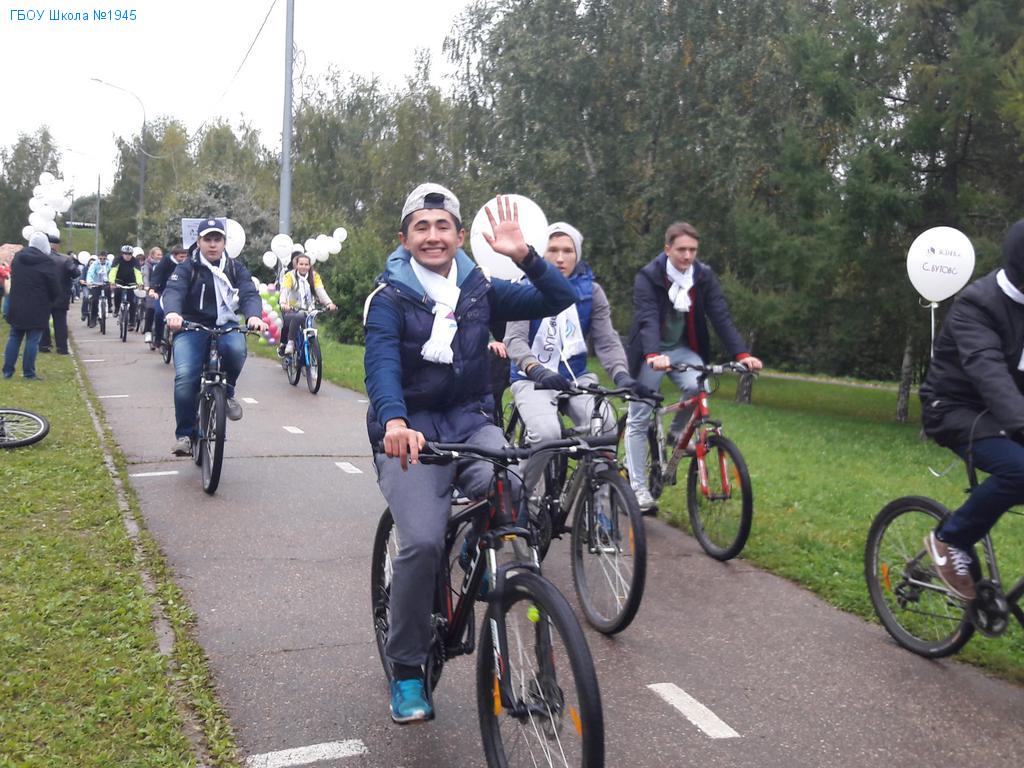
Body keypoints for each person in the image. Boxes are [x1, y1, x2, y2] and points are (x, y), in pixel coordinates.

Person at [364, 185, 575, 723]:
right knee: (421, 542)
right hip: (410, 431)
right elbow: (382, 364)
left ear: (460, 236)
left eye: (443, 226)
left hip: (470, 421)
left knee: (514, 495)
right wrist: (394, 421)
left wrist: (525, 255)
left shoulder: (480, 290)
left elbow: (558, 298)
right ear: (405, 239)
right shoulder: (388, 298)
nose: (433, 236)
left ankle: (474, 554)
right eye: (422, 227)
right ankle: (407, 668)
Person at [623, 221, 763, 512]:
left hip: (682, 348)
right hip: (651, 351)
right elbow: (648, 318)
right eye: (681, 250)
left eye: (693, 250)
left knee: (699, 387)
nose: (687, 256)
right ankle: (638, 488)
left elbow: (720, 315)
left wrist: (741, 354)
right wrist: (653, 354)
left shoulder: (702, 276)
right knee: (640, 415)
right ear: (667, 249)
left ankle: (676, 434)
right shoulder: (649, 276)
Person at [505, 222, 652, 492]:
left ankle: (597, 501)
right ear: (541, 252)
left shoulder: (592, 292)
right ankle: (518, 496)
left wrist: (622, 375)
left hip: (576, 377)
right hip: (532, 378)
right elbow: (514, 340)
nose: (560, 258)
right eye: (553, 250)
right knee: (547, 435)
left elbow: (607, 340)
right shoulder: (523, 287)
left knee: (606, 425)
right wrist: (536, 369)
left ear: (578, 255)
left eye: (568, 251)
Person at [919, 220, 1024, 600]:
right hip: (954, 409)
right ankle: (949, 540)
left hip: (1007, 413)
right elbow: (987, 370)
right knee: (1021, 472)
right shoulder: (977, 304)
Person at [162, 218, 266, 456]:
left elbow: (249, 293)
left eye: (217, 239)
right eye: (207, 239)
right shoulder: (187, 267)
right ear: (198, 242)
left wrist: (253, 316)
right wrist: (173, 313)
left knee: (237, 349)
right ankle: (185, 435)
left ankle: (227, 392)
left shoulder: (235, 268)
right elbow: (174, 291)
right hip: (191, 325)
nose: (212, 244)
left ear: (224, 243)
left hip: (226, 324)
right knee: (186, 377)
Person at [3, 233, 60, 380]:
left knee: (14, 337)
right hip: (38, 306)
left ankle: (7, 371)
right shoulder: (47, 262)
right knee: (33, 340)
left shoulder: (18, 258)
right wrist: (51, 300)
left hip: (17, 303)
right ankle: (28, 372)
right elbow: (54, 287)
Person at [278, 252, 336, 356]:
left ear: (310, 266)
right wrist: (283, 303)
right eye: (301, 264)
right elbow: (285, 290)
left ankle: (311, 351)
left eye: (306, 264)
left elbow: (320, 290)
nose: (304, 267)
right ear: (296, 265)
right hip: (293, 309)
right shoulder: (290, 276)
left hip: (309, 310)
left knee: (310, 326)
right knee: (294, 319)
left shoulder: (314, 276)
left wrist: (329, 303)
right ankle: (290, 342)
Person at [38, 233, 79, 355]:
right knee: (60, 323)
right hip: (61, 295)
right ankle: (62, 348)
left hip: (43, 296)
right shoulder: (65, 259)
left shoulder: (40, 258)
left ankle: (44, 345)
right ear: (57, 246)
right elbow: (76, 273)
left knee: (43, 321)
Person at [148, 246, 188, 351]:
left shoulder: (187, 264)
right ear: (174, 255)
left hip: (180, 294)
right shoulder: (165, 261)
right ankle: (157, 339)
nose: (183, 259)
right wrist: (152, 289)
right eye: (181, 257)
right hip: (162, 292)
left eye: (185, 256)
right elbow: (156, 275)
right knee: (159, 313)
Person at [111, 245, 143, 325]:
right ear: (122, 254)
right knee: (117, 293)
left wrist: (140, 283)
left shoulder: (135, 261)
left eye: (129, 254)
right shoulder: (117, 260)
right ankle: (117, 308)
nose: (127, 256)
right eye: (125, 254)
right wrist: (112, 282)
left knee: (132, 301)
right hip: (119, 281)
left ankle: (131, 321)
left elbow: (138, 273)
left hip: (131, 282)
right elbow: (113, 271)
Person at [140, 246, 164, 345]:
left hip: (161, 290)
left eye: (161, 255)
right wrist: (147, 287)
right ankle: (148, 332)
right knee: (150, 309)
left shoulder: (164, 264)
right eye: (158, 255)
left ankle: (162, 335)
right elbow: (145, 276)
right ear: (152, 255)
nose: (160, 256)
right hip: (151, 289)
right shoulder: (148, 265)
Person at [85, 251, 112, 325]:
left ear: (106, 258)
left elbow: (113, 272)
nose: (102, 260)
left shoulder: (109, 264)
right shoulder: (94, 264)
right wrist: (89, 282)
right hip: (96, 283)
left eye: (104, 258)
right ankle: (93, 319)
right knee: (95, 300)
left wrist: (113, 281)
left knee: (108, 291)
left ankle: (109, 306)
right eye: (100, 258)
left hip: (105, 282)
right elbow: (90, 273)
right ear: (98, 258)